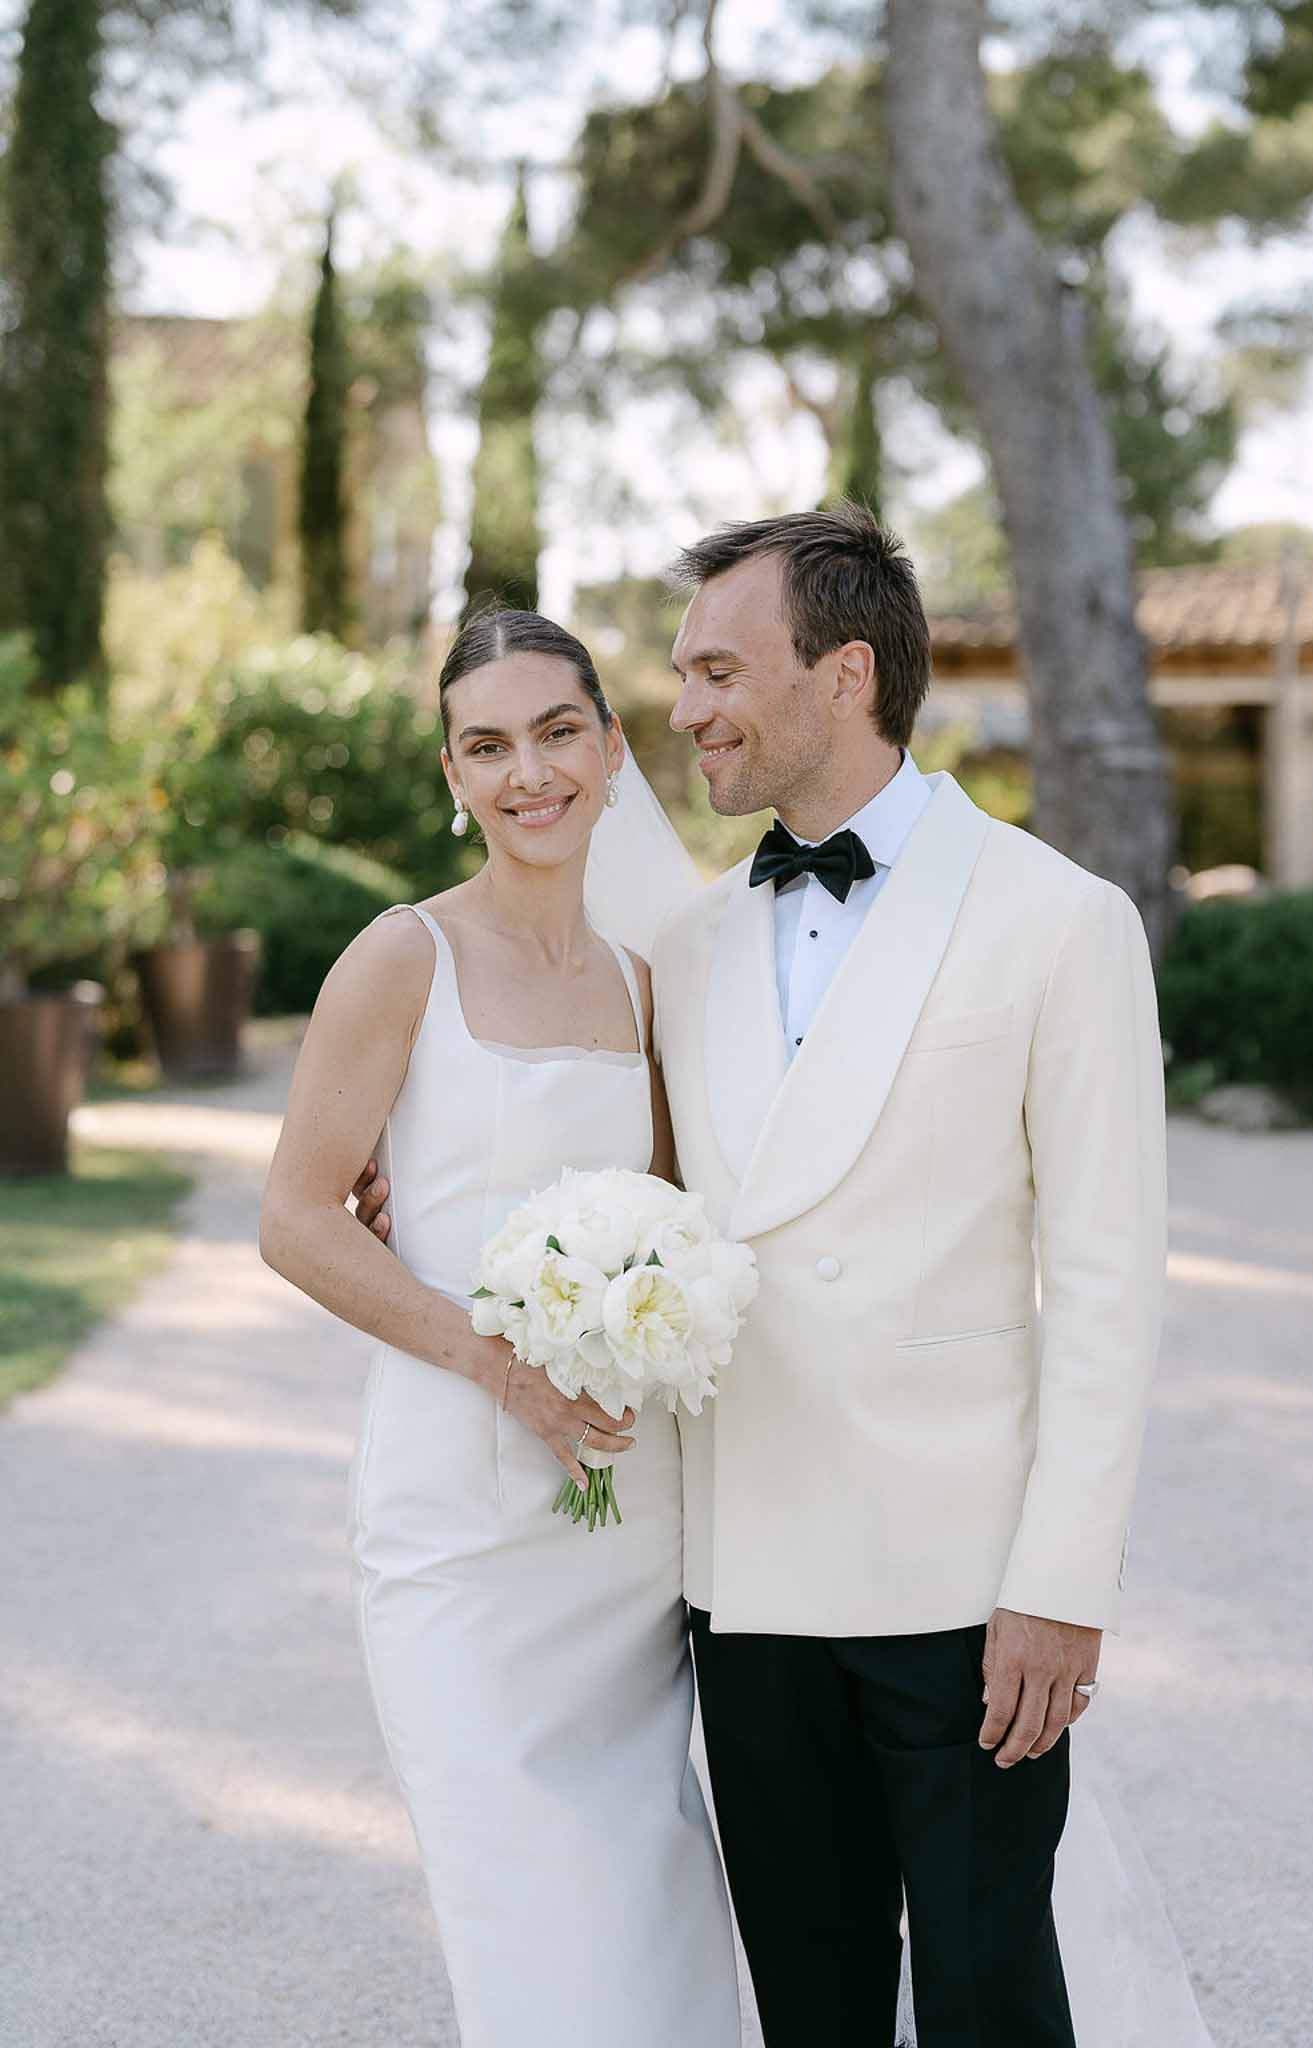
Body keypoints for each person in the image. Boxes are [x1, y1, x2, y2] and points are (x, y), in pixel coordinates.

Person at [346, 511, 1208, 2048]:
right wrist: (421, 1174)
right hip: (740, 1588)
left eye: (717, 672)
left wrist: (1060, 1589)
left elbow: (1103, 1284)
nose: (683, 712)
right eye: (679, 677)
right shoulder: (682, 946)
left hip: (964, 1594)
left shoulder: (1058, 921)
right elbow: (629, 1178)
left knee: (990, 1995)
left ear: (847, 674)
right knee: (805, 2004)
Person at [258, 609, 743, 2048]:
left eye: (555, 733)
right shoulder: (400, 958)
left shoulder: (651, 986)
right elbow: (294, 1218)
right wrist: (498, 1366)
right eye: (488, 745)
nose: (527, 771)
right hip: (458, 1520)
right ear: (454, 777)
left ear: (608, 748)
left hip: (622, 1521)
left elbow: (680, 1211)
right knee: (516, 1887)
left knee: (646, 1879)